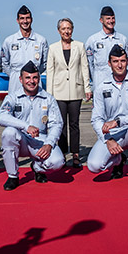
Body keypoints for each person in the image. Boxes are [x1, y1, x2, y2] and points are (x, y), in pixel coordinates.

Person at [87, 45, 128, 188]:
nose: (119, 65)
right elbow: (96, 119)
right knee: (94, 165)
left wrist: (119, 121)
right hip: (113, 135)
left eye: (122, 61)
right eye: (115, 61)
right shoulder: (102, 86)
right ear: (109, 63)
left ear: (127, 61)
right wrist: (108, 140)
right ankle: (118, 159)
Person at [0, 61, 65, 191]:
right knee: (9, 133)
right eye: (27, 77)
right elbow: (1, 116)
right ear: (21, 79)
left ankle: (37, 168)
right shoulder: (13, 97)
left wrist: (49, 144)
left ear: (39, 79)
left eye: (35, 77)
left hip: (41, 141)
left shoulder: (48, 98)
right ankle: (13, 176)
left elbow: (57, 124)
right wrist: (25, 126)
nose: (31, 81)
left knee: (57, 162)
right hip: (21, 140)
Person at [46, 18, 92, 168]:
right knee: (61, 124)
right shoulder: (53, 48)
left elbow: (84, 68)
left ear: (72, 29)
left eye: (69, 28)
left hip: (75, 91)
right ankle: (62, 153)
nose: (66, 31)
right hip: (58, 92)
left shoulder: (79, 46)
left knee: (74, 124)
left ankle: (76, 153)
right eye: (63, 29)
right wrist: (49, 94)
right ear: (58, 31)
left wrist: (87, 88)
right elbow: (50, 72)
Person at [0, 5, 48, 95]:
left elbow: (44, 63)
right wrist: (16, 75)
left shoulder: (41, 40)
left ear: (31, 19)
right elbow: (4, 63)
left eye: (27, 18)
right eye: (22, 18)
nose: (25, 21)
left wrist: (32, 75)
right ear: (17, 20)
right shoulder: (9, 41)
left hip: (34, 83)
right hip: (16, 83)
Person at [85, 6, 128, 87]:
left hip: (119, 83)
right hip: (100, 82)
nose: (111, 21)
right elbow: (89, 64)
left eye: (113, 18)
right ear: (101, 20)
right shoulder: (93, 40)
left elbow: (126, 62)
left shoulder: (123, 39)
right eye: (108, 18)